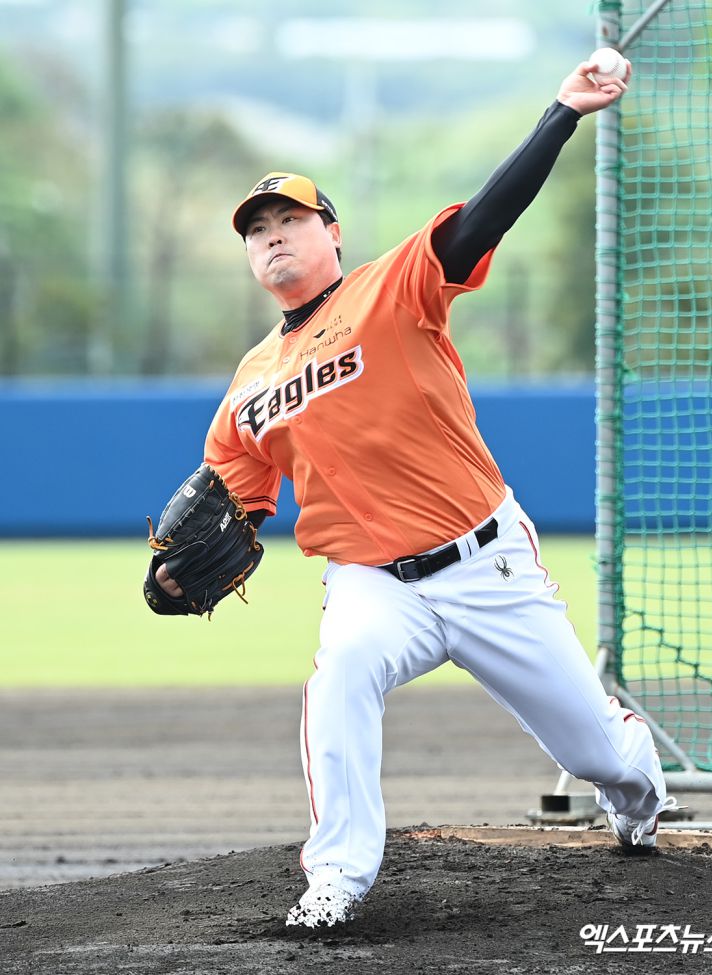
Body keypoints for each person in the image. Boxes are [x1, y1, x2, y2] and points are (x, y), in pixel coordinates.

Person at [156, 57, 675, 930]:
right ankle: (336, 876)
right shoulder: (249, 383)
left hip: (484, 561)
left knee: (595, 753)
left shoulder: (391, 289)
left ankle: (637, 783)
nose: (273, 236)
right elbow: (234, 505)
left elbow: (482, 219)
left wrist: (562, 112)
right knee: (340, 674)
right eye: (258, 230)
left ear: (332, 233)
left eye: (291, 218)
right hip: (371, 582)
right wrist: (171, 576)